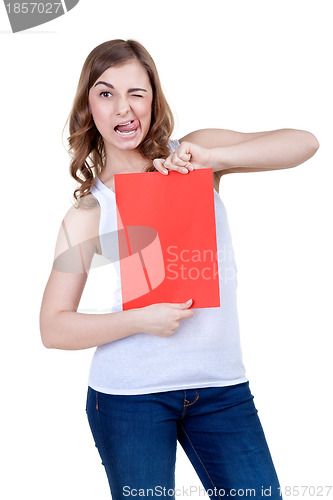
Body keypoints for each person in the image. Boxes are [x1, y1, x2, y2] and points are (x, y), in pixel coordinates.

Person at [39, 39, 319, 500]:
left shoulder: (194, 154)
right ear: (88, 106)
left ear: (154, 99)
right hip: (130, 399)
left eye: (137, 92)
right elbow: (53, 327)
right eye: (106, 93)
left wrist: (213, 161)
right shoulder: (90, 211)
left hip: (222, 390)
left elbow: (304, 144)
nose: (123, 108)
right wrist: (140, 320)